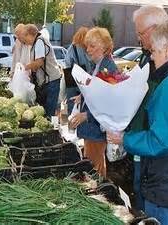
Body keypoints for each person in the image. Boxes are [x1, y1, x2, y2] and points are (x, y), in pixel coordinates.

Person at [107, 20, 168, 225]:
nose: (151, 55)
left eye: (155, 50)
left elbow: (162, 142)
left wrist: (125, 138)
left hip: (165, 183)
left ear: (167, 49)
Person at [129, 5, 168, 211]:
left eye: (140, 33)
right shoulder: (146, 56)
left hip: (153, 149)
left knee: (146, 194)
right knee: (139, 187)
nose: (138, 38)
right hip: (142, 140)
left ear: (154, 29)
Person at [70, 27, 118, 178]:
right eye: (87, 46)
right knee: (94, 163)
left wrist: (86, 116)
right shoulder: (99, 65)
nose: (88, 50)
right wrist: (81, 97)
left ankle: (98, 193)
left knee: (93, 167)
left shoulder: (108, 69)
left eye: (92, 46)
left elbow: (109, 103)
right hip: (93, 130)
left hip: (96, 130)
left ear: (104, 48)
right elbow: (96, 93)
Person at [23, 24, 61, 117]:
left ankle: (53, 129)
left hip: (51, 81)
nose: (24, 41)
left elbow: (39, 62)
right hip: (48, 81)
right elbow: (36, 65)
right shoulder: (37, 43)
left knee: (49, 112)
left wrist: (24, 68)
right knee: (46, 111)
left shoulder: (39, 41)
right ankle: (51, 127)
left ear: (29, 34)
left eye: (25, 36)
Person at [65, 26, 93, 115]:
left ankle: (71, 123)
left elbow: (67, 64)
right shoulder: (88, 49)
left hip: (72, 81)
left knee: (72, 106)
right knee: (85, 106)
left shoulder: (71, 48)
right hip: (87, 83)